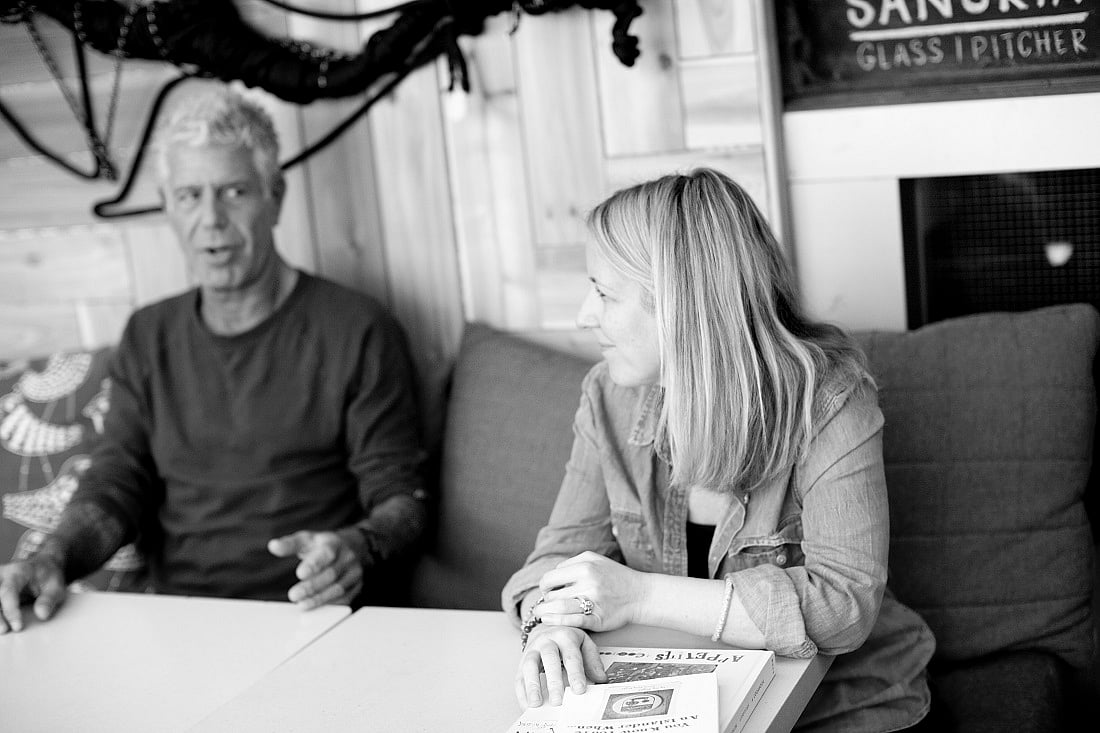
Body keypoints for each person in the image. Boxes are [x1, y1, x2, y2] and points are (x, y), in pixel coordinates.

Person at [502, 169, 937, 731]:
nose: (585, 316)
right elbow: (552, 561)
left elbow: (844, 604)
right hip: (696, 704)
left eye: (605, 293)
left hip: (842, 706)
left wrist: (639, 597)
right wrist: (552, 625)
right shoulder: (608, 398)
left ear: (681, 307)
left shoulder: (830, 404)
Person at [0, 86, 427, 633]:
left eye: (233, 192)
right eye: (189, 196)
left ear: (275, 195)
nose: (212, 220)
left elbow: (403, 500)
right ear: (169, 206)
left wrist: (355, 548)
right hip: (183, 623)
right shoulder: (148, 334)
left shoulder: (358, 328)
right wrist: (53, 556)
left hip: (319, 616)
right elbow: (116, 485)